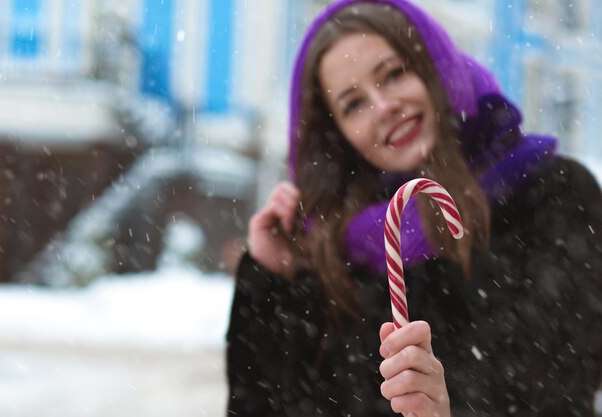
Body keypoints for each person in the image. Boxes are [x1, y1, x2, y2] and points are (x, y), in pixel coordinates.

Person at [225, 0, 602, 416]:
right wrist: (271, 280)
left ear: (435, 68)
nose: (384, 106)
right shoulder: (339, 251)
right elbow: (268, 406)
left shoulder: (552, 194)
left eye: (395, 74)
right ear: (338, 135)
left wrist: (450, 407)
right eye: (353, 104)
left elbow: (563, 380)